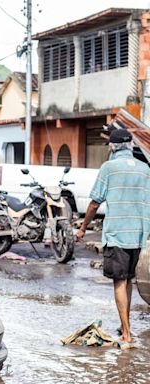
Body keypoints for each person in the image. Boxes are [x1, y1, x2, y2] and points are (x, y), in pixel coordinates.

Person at [76, 128, 150, 348]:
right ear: (130, 146)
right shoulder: (145, 169)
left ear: (113, 147)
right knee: (127, 279)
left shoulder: (109, 168)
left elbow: (94, 202)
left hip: (117, 233)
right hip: (138, 235)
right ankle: (123, 324)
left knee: (119, 281)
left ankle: (126, 334)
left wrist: (82, 228)